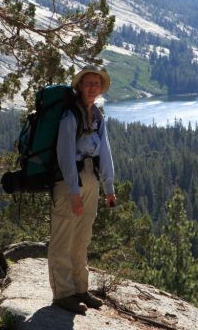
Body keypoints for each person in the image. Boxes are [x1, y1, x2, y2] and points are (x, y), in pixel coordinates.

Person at [48, 65, 117, 314]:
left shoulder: (97, 116)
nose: (92, 88)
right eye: (87, 83)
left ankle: (80, 289)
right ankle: (63, 294)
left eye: (96, 84)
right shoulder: (69, 116)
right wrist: (73, 192)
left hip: (92, 179)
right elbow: (65, 155)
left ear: (100, 88)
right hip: (70, 182)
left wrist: (109, 187)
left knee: (82, 238)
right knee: (64, 237)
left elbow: (105, 151)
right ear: (79, 86)